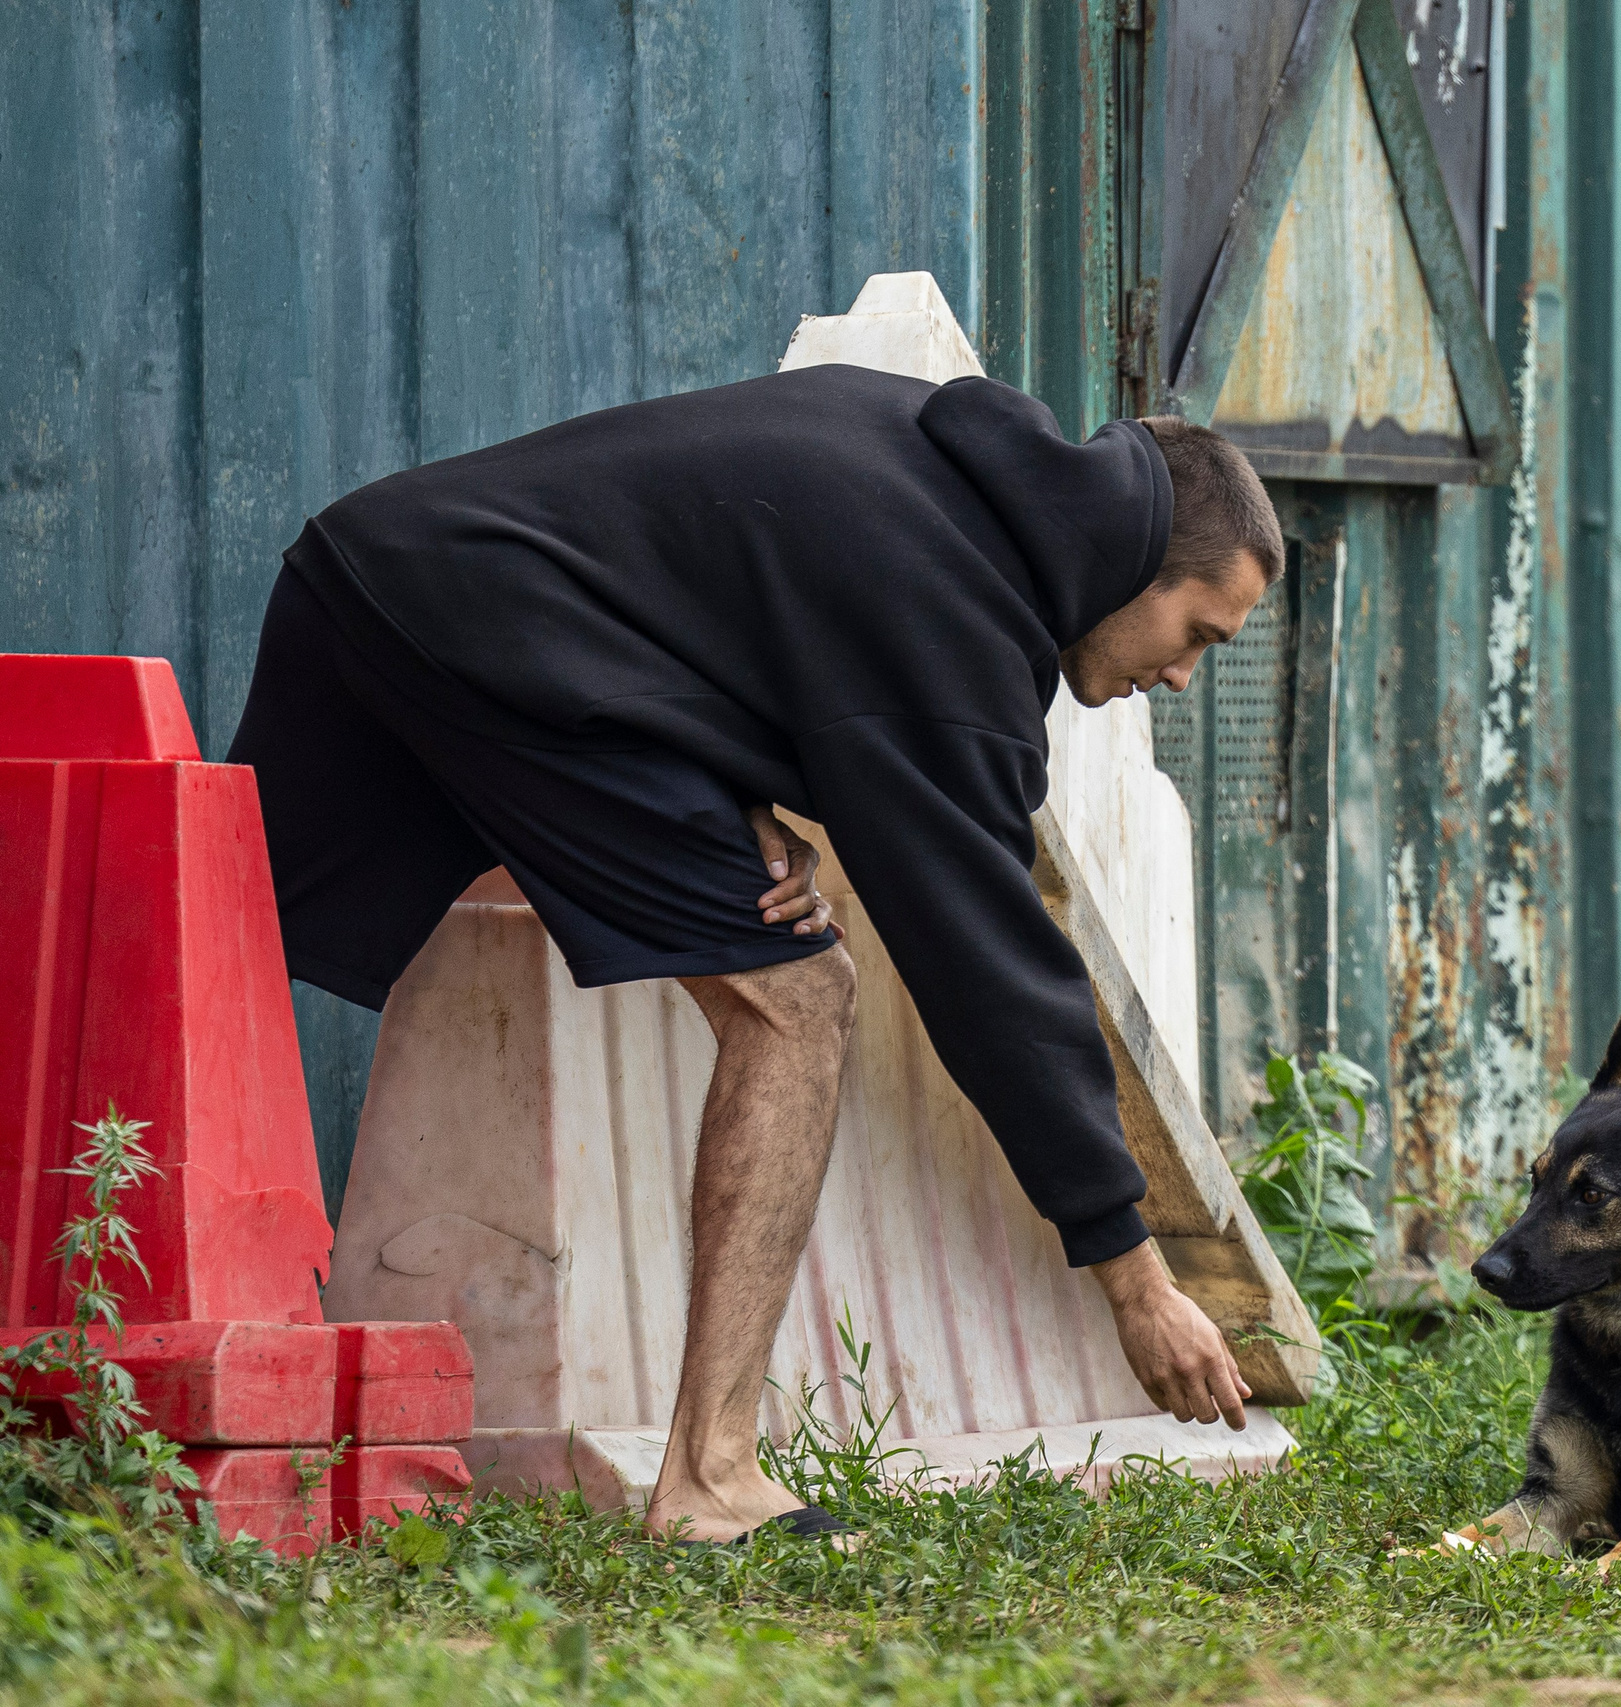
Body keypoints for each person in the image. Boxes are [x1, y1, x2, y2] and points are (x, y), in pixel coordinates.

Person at [226, 365, 1286, 1545]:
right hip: (488, 634)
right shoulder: (955, 617)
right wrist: (1135, 1281)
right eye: (1198, 632)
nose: (1185, 676)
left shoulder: (932, 472)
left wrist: (722, 771)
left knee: (212, 937)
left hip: (376, 573)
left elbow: (706, 588)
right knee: (795, 996)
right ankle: (711, 1477)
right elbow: (990, 969)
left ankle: (116, 1310)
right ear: (1136, 559)